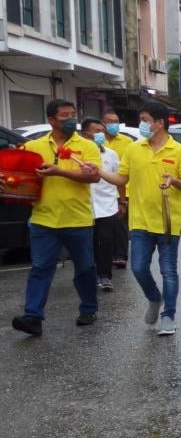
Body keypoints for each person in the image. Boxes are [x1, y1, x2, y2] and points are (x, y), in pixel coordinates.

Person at [98, 101, 181, 336]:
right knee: (139, 268)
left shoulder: (180, 152)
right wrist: (98, 172)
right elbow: (121, 179)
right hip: (140, 221)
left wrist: (174, 181)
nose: (141, 124)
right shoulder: (134, 149)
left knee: (168, 271)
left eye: (145, 119)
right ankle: (154, 297)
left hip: (168, 222)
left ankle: (168, 315)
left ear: (159, 123)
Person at [12, 100, 102, 335]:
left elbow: (93, 178)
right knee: (40, 268)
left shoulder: (87, 146)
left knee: (85, 268)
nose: (71, 119)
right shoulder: (33, 146)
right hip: (44, 218)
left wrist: (60, 171)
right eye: (65, 115)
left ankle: (89, 308)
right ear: (52, 120)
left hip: (78, 218)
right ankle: (33, 317)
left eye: (74, 114)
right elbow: (19, 176)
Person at [81, 118, 121, 292]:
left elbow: (119, 179)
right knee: (88, 243)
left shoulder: (111, 154)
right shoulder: (78, 154)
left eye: (101, 131)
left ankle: (105, 276)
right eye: (96, 131)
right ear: (85, 134)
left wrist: (122, 200)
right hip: (84, 206)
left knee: (105, 241)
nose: (100, 134)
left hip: (107, 205)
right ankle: (90, 276)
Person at [102, 108, 132, 269]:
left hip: (123, 189)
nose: (114, 124)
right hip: (102, 190)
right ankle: (107, 254)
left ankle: (121, 255)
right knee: (106, 225)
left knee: (120, 224)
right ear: (103, 124)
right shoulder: (98, 141)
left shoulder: (127, 142)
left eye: (116, 121)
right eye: (110, 122)